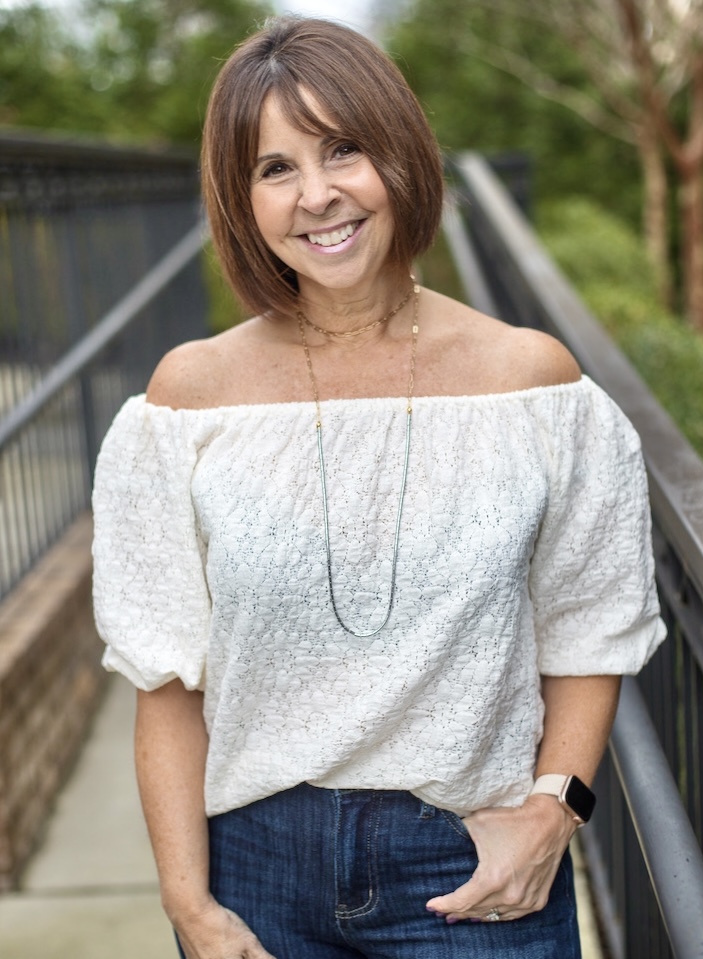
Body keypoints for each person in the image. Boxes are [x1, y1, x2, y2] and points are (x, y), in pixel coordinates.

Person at [92, 15, 666, 959]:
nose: (316, 196)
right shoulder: (186, 404)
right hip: (253, 871)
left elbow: (587, 626)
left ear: (399, 155)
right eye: (274, 169)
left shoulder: (530, 383)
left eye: (342, 150)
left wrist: (553, 810)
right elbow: (165, 684)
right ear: (241, 200)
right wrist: (189, 904)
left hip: (468, 869)